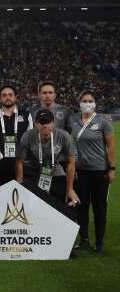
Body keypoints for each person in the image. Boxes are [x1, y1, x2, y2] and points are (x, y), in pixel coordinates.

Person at [70, 91, 116, 253]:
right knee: (81, 207)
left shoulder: (103, 122)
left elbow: (111, 147)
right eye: (84, 100)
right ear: (79, 103)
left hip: (100, 172)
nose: (87, 103)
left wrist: (111, 168)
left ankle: (99, 242)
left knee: (99, 208)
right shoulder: (73, 121)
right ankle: (84, 239)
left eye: (90, 100)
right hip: (80, 172)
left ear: (95, 103)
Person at [15, 109, 80, 218]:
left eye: (48, 122)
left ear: (53, 123)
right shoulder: (28, 136)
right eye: (41, 122)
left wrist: (70, 189)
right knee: (35, 210)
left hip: (56, 173)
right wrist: (20, 183)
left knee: (59, 208)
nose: (45, 125)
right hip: (34, 174)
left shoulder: (63, 136)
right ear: (36, 124)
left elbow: (71, 162)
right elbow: (19, 161)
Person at [0, 85, 33, 185]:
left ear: (15, 97)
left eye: (10, 95)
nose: (7, 97)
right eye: (4, 95)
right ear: (0, 99)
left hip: (21, 165)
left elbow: (31, 140)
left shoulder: (26, 115)